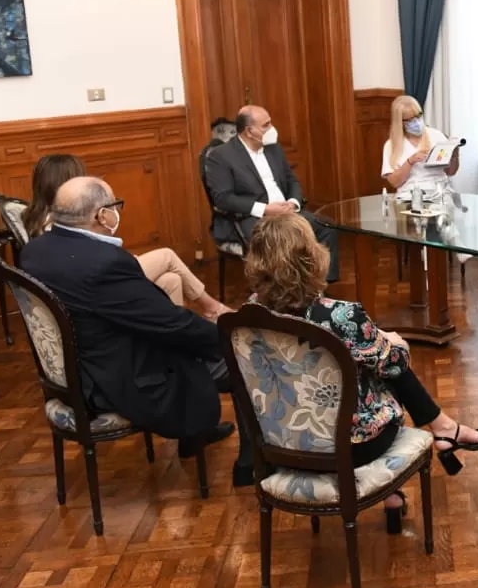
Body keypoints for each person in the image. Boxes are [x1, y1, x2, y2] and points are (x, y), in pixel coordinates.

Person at [245, 214, 478, 532]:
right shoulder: (342, 316)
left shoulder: (250, 314)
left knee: (360, 363)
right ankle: (442, 430)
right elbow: (395, 365)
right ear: (310, 257)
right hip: (352, 447)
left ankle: (438, 437)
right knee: (383, 362)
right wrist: (395, 342)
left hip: (283, 447)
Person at [20, 177, 244, 473]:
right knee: (240, 361)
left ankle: (197, 436)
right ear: (101, 215)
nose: (117, 212)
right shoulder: (102, 264)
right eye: (115, 205)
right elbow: (171, 324)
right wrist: (234, 336)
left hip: (79, 366)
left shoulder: (35, 251)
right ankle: (250, 462)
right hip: (117, 378)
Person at [24, 153, 229, 320]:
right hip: (98, 284)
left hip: (91, 278)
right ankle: (211, 308)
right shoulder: (61, 221)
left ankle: (172, 342)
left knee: (172, 280)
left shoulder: (38, 216)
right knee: (167, 256)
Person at [204, 104, 340, 282]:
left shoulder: (273, 148)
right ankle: (283, 295)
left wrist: (293, 202)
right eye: (266, 125)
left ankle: (321, 287)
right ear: (249, 131)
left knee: (327, 228)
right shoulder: (221, 156)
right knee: (281, 239)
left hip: (288, 211)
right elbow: (223, 198)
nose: (272, 129)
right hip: (252, 218)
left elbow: (291, 180)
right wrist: (266, 209)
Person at [382, 94, 460, 194]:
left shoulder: (436, 135)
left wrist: (454, 155)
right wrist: (410, 162)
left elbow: (451, 172)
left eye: (418, 116)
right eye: (410, 120)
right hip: (409, 197)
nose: (416, 122)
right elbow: (395, 182)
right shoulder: (391, 145)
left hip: (440, 192)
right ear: (400, 122)